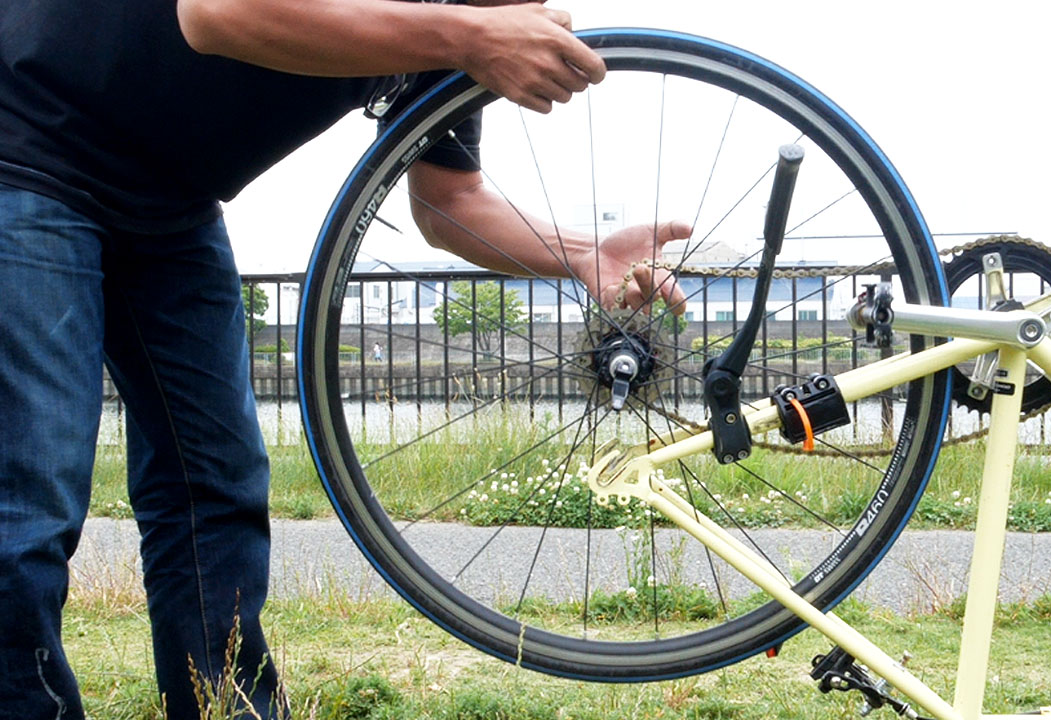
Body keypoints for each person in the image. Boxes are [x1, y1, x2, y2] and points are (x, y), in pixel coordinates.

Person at [0, 1, 686, 718]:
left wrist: (582, 253)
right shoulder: (459, 25)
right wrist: (468, 36)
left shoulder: (458, 22)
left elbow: (449, 199)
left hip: (171, 203)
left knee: (216, 489)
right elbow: (216, 12)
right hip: (26, 149)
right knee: (28, 507)